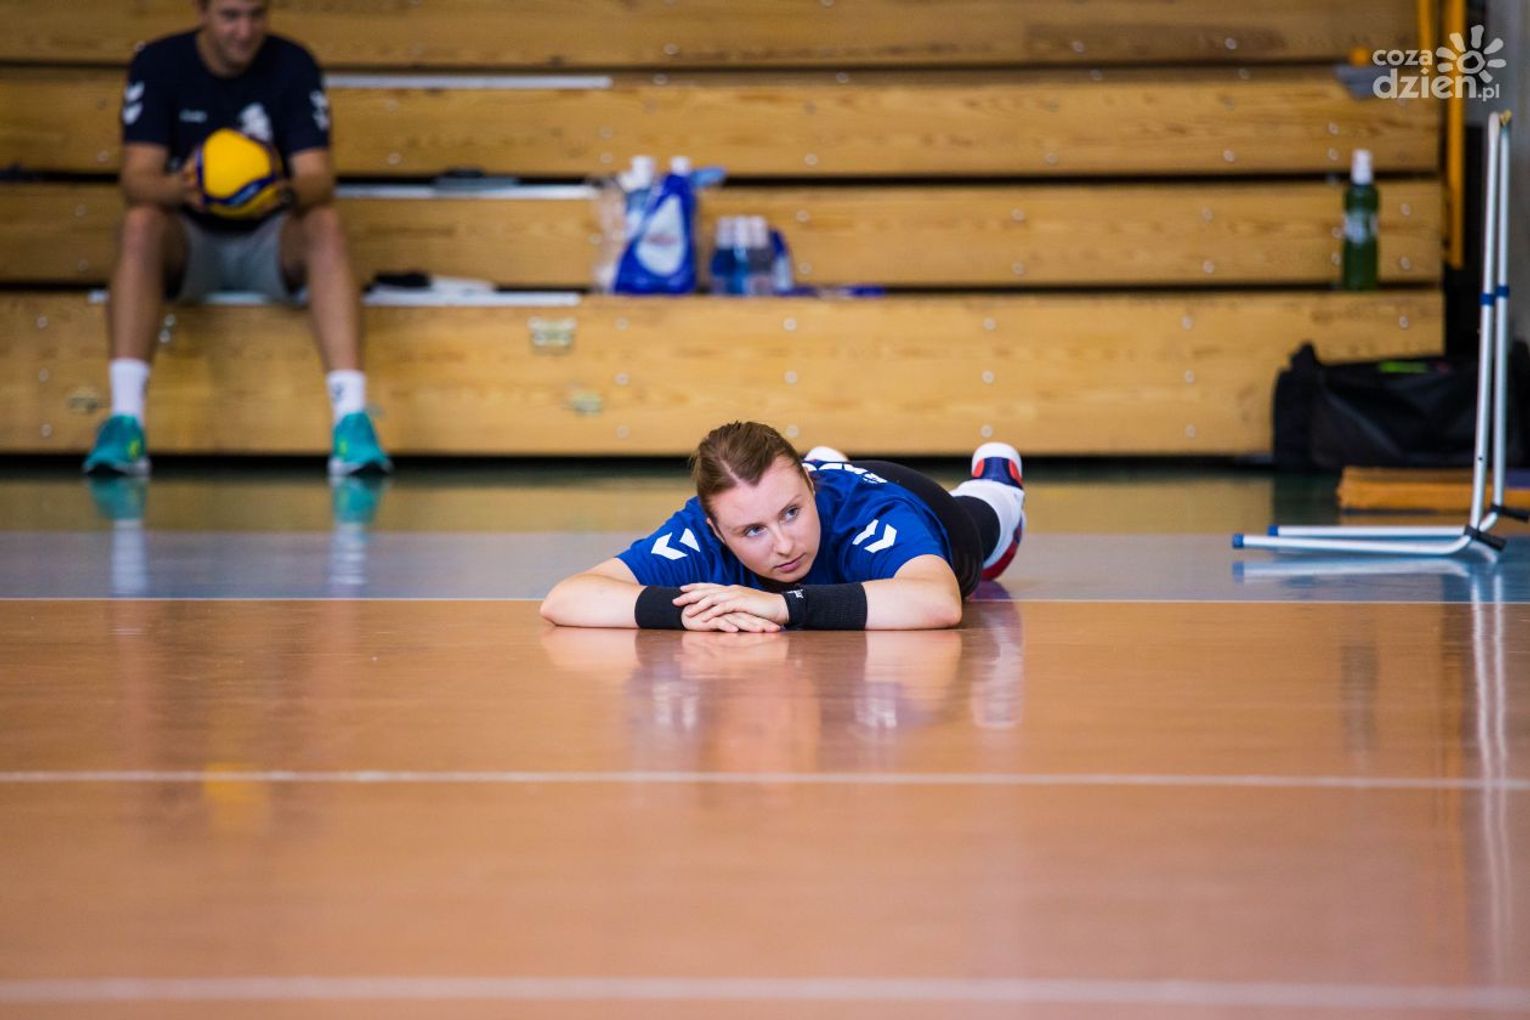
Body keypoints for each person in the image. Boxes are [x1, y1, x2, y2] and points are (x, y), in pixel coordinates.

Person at [83, 0, 390, 478]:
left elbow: (318, 179)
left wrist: (276, 191)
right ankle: (126, 424)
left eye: (256, 14)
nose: (244, 30)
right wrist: (183, 188)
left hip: (269, 240)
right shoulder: (160, 63)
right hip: (188, 242)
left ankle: (352, 424)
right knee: (140, 223)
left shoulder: (292, 63)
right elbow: (136, 180)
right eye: (230, 16)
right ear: (201, 12)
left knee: (325, 223)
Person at [540, 421, 1027, 631]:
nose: (784, 545)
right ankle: (820, 464)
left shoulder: (870, 519)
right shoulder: (700, 533)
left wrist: (783, 605)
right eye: (752, 531)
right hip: (815, 479)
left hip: (926, 505)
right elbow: (565, 598)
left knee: (983, 520)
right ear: (715, 531)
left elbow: (939, 601)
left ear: (809, 487)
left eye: (791, 513)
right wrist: (684, 612)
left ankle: (997, 485)